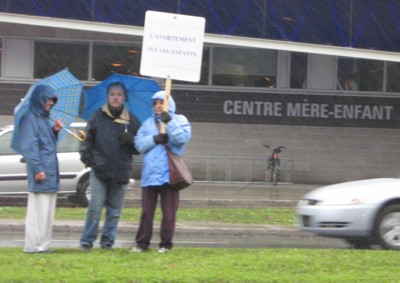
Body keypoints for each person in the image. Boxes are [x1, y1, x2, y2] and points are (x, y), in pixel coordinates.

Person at [79, 81, 141, 250]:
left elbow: (139, 149)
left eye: (119, 94)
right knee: (95, 208)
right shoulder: (97, 117)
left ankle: (107, 242)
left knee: (114, 211)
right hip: (99, 171)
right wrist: (89, 160)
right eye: (112, 94)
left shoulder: (133, 121)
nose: (115, 97)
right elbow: (86, 141)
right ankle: (86, 242)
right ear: (107, 97)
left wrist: (132, 142)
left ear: (124, 97)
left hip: (121, 172)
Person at [132, 90, 191, 253]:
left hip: (170, 175)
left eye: (161, 102)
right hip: (150, 175)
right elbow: (138, 144)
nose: (158, 106)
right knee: (146, 213)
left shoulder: (180, 120)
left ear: (168, 104)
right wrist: (154, 139)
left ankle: (166, 244)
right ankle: (141, 244)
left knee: (169, 213)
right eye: (155, 103)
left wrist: (170, 123)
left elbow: (182, 139)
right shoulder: (148, 123)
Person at [19, 84, 64, 253]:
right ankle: (34, 246)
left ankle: (43, 245)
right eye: (48, 99)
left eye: (53, 100)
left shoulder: (45, 120)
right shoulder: (29, 119)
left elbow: (46, 143)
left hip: (50, 173)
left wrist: (55, 131)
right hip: (42, 174)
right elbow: (30, 147)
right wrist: (38, 169)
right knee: (38, 214)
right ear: (40, 99)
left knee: (47, 214)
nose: (51, 103)